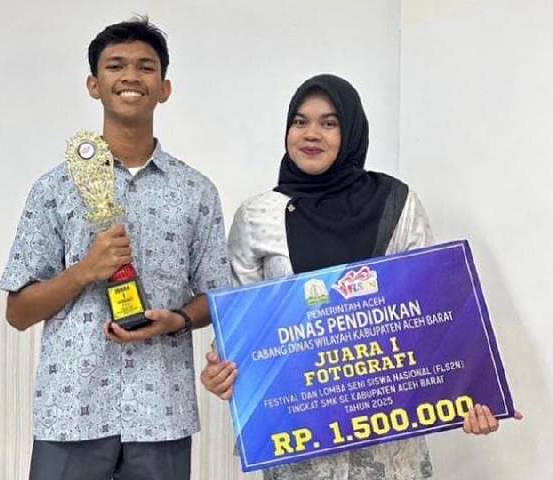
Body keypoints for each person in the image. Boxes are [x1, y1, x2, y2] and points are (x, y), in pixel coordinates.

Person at [200, 74, 522, 480]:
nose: (311, 134)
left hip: (390, 447)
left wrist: (477, 391)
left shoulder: (396, 204)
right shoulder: (257, 216)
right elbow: (241, 327)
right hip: (300, 448)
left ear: (351, 131)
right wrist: (223, 370)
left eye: (329, 123)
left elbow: (433, 312)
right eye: (300, 121)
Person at [0, 17, 230, 480]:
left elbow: (217, 297)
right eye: (115, 65)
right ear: (94, 84)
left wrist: (178, 320)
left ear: (164, 88)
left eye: (146, 67)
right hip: (72, 411)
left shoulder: (196, 192)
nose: (131, 76)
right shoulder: (55, 189)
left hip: (161, 412)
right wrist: (84, 270)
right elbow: (18, 313)